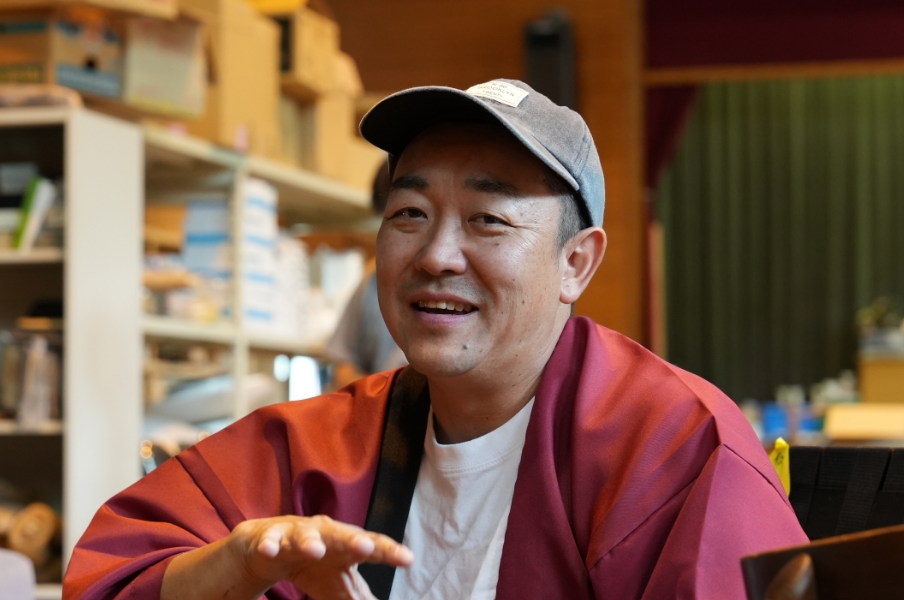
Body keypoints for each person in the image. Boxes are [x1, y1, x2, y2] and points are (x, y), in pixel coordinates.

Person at [64, 80, 807, 600]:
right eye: (410, 214)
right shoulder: (320, 450)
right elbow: (113, 574)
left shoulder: (672, 449)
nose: (436, 255)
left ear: (576, 263)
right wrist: (236, 570)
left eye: (488, 220)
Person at [327, 162, 408, 387]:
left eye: (413, 214)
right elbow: (342, 367)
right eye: (387, 220)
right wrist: (382, 394)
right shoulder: (371, 283)